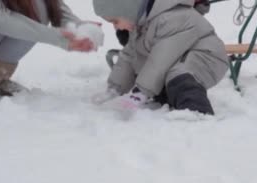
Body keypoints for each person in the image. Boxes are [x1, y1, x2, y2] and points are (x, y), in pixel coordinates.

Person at [93, 0, 228, 115]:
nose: (116, 27)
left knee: (179, 74)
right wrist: (115, 88)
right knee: (165, 79)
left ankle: (197, 112)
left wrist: (140, 92)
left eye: (115, 21)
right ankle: (170, 97)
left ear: (128, 9)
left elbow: (159, 61)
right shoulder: (141, 25)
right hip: (178, 56)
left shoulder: (171, 17)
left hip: (206, 56)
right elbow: (129, 57)